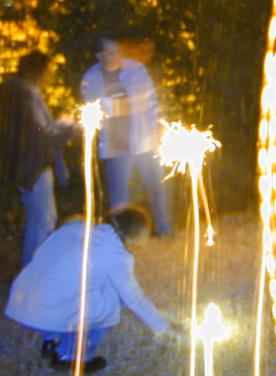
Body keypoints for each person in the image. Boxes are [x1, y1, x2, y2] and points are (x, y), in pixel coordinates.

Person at [4, 206, 171, 372]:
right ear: (136, 237)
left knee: (70, 286)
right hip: (49, 312)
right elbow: (134, 299)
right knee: (111, 298)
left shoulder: (77, 226)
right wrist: (162, 326)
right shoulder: (117, 257)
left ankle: (52, 339)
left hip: (24, 303)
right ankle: (70, 356)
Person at [81, 36, 171, 235]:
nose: (116, 56)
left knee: (155, 187)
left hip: (144, 141)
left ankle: (164, 229)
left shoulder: (136, 70)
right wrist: (127, 105)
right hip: (115, 145)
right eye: (110, 53)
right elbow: (95, 109)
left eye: (118, 52)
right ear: (99, 55)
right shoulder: (91, 78)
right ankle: (120, 235)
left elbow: (150, 102)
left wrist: (155, 126)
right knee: (119, 195)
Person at [0, 51, 78, 266]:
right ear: (38, 71)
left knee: (41, 219)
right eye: (48, 70)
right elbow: (42, 135)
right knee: (42, 222)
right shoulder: (27, 97)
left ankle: (34, 271)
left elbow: (36, 130)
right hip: (33, 167)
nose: (51, 75)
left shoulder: (17, 95)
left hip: (25, 165)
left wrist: (57, 124)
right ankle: (34, 272)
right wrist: (71, 128)